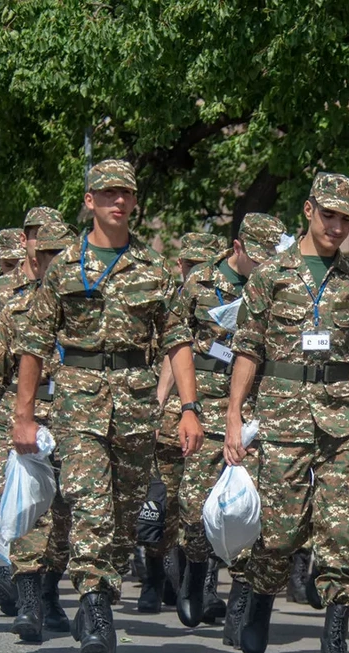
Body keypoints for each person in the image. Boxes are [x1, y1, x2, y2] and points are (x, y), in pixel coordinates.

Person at [12, 159, 203, 653]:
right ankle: (96, 610)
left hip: (139, 405)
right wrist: (24, 416)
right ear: (90, 201)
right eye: (108, 193)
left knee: (124, 517)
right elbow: (32, 346)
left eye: (127, 194)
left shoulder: (156, 268)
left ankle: (102, 588)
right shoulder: (64, 268)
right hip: (79, 402)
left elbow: (178, 340)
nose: (119, 201)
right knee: (91, 502)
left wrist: (188, 408)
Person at [224, 172, 349, 653]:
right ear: (309, 210)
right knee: (281, 527)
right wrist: (233, 414)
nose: (336, 226)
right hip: (283, 409)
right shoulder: (272, 275)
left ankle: (334, 641)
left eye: (345, 219)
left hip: (341, 415)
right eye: (329, 214)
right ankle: (263, 595)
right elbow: (248, 348)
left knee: (339, 527)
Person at [162, 213, 287, 632]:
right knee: (194, 503)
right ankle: (196, 570)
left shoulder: (279, 283)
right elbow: (174, 338)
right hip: (209, 399)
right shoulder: (200, 282)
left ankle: (241, 604)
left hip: (257, 406)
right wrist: (182, 405)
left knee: (254, 507)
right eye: (258, 257)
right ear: (237, 248)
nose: (265, 265)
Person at [0, 220, 77, 642]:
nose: (54, 263)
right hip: (18, 416)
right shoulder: (16, 310)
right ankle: (27, 599)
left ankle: (49, 592)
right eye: (47, 255)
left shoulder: (87, 307)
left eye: (63, 255)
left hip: (73, 416)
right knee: (27, 507)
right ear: (34, 256)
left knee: (64, 514)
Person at [143, 231, 229, 615]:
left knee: (204, 503)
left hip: (219, 409)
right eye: (191, 265)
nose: (197, 272)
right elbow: (169, 357)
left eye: (203, 265)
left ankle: (202, 587)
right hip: (180, 410)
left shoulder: (237, 294)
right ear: (181, 266)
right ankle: (155, 578)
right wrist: (161, 404)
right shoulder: (176, 300)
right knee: (167, 502)